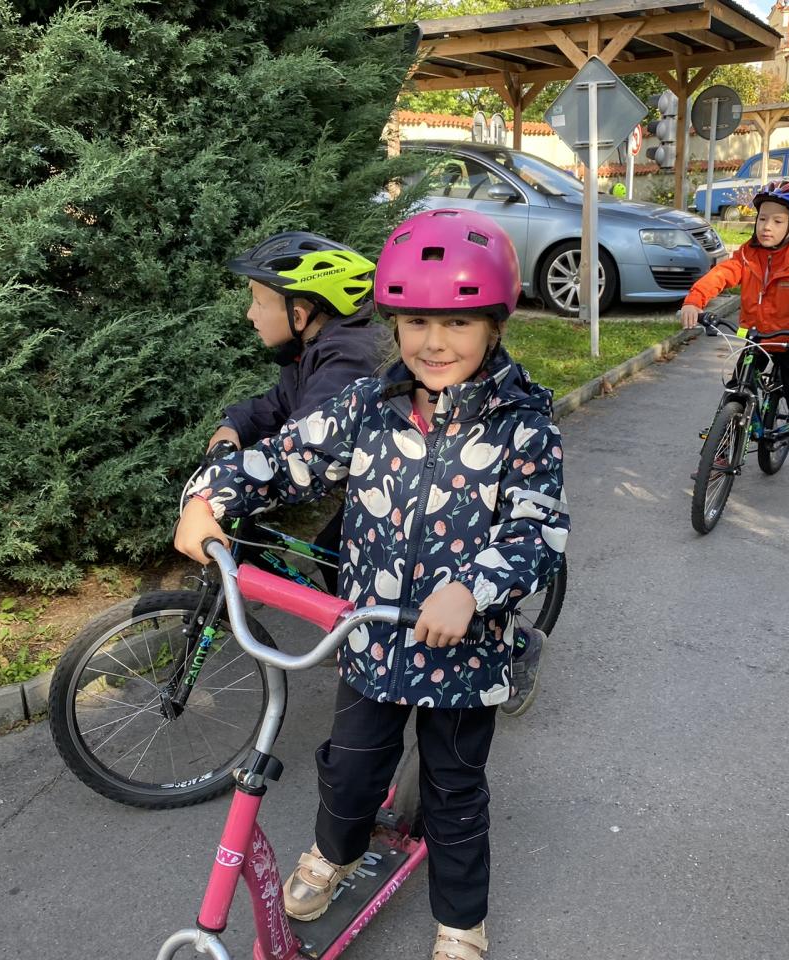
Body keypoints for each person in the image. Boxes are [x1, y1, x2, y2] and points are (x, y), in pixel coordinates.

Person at [174, 208, 568, 960]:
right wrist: (209, 497)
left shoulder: (524, 424)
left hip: (465, 652)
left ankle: (461, 920)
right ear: (393, 324)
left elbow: (537, 531)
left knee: (454, 793)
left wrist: (472, 589)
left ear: (494, 326)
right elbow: (288, 457)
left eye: (457, 323)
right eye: (416, 322)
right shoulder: (369, 407)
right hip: (373, 638)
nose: (434, 342)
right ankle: (335, 853)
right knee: (349, 769)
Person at [205, 232, 388, 588]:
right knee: (332, 553)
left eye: (258, 303)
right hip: (371, 486)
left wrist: (233, 483)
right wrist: (235, 425)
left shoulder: (346, 362)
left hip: (397, 497)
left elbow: (305, 445)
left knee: (344, 557)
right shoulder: (314, 349)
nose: (250, 314)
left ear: (299, 316)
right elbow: (279, 403)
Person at [680, 180, 789, 495]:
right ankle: (721, 448)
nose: (767, 227)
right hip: (756, 337)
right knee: (735, 391)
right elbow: (722, 274)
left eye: (777, 221)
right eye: (762, 218)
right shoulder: (748, 254)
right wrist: (694, 301)